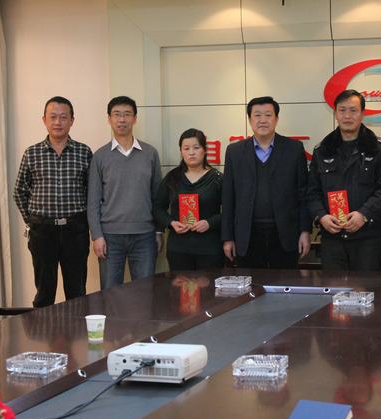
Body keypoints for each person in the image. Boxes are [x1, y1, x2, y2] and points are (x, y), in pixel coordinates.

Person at [13, 96, 92, 307]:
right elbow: (19, 191)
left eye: (63, 117)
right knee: (44, 291)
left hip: (75, 230)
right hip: (42, 231)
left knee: (77, 291)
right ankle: (43, 329)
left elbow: (91, 192)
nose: (58, 122)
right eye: (53, 117)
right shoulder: (32, 153)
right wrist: (33, 220)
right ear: (44, 120)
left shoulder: (84, 152)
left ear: (72, 120)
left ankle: (77, 329)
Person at [307, 89, 381, 270]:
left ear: (362, 114)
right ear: (335, 113)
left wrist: (364, 214)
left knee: (366, 287)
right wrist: (322, 216)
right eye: (342, 110)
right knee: (333, 287)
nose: (347, 116)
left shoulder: (379, 148)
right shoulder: (322, 150)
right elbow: (311, 191)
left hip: (368, 239)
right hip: (332, 239)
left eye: (353, 110)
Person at [221, 96, 312, 268]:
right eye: (257, 115)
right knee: (251, 283)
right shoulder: (234, 151)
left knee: (285, 282)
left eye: (268, 115)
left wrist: (305, 231)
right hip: (247, 235)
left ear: (276, 119)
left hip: (285, 233)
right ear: (249, 119)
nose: (262, 120)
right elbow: (228, 197)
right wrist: (228, 237)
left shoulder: (294, 149)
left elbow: (303, 193)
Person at [87, 96, 162, 289]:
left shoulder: (150, 153)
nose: (122, 119)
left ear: (135, 119)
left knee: (145, 292)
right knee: (110, 293)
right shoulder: (100, 156)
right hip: (110, 237)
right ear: (109, 119)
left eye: (127, 114)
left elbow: (158, 197)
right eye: (117, 114)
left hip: (145, 236)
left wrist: (158, 231)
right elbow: (93, 201)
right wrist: (97, 236)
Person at [154, 128, 224, 271]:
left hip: (210, 248)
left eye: (196, 147)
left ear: (205, 150)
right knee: (179, 285)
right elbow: (158, 207)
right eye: (186, 148)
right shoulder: (172, 178)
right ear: (181, 152)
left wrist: (209, 223)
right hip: (178, 249)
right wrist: (171, 223)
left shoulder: (217, 179)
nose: (191, 152)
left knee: (209, 285)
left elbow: (230, 211)